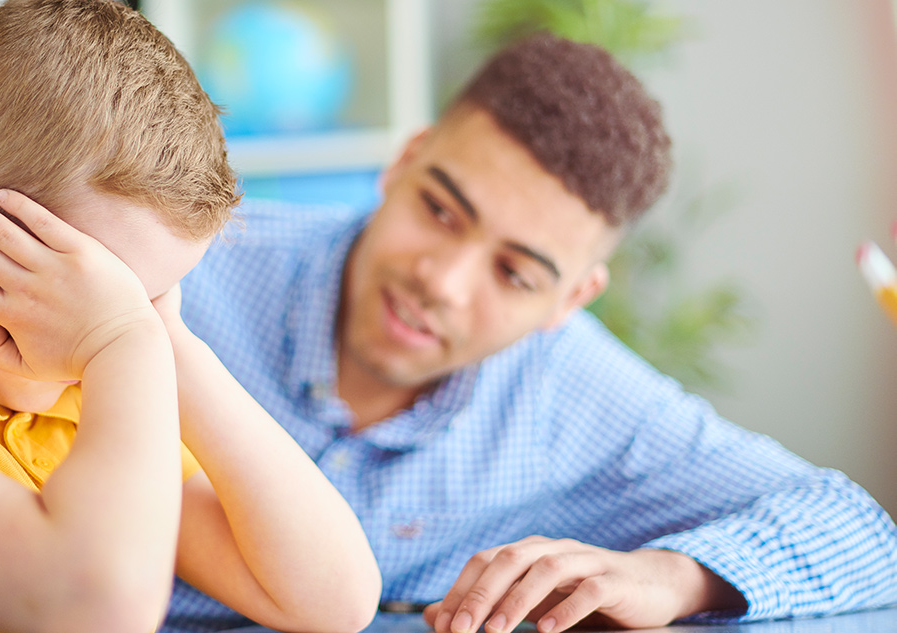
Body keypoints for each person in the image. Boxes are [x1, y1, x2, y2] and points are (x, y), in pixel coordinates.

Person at [164, 32, 897, 633]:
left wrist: (671, 575)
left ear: (570, 299)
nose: (441, 282)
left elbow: (862, 534)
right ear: (404, 159)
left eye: (514, 274)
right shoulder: (187, 269)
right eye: (441, 210)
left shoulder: (573, 388)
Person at [0, 2, 381, 632]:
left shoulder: (81, 404)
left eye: (142, 299)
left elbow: (333, 603)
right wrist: (121, 342)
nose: (119, 319)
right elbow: (98, 610)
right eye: (93, 288)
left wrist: (168, 342)